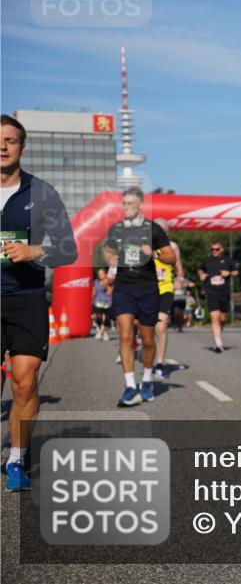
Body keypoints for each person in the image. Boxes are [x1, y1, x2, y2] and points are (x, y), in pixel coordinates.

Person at [1, 114, 78, 492]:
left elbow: (68, 249)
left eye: (10, 140)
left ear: (21, 147)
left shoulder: (42, 193)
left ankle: (17, 459)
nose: (2, 146)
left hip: (27, 299)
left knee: (25, 384)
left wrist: (34, 249)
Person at [102, 187, 175, 406]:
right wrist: (111, 258)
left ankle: (146, 380)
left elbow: (170, 256)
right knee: (125, 335)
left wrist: (154, 253)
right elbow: (107, 250)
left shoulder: (153, 229)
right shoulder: (116, 229)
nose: (126, 207)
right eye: (123, 203)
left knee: (148, 338)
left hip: (147, 287)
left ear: (140, 205)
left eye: (130, 204)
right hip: (124, 286)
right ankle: (130, 386)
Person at [152, 218, 184, 378]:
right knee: (144, 328)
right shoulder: (145, 246)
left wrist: (179, 280)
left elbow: (179, 269)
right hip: (147, 289)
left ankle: (159, 364)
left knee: (161, 325)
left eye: (163, 232)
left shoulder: (172, 247)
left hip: (165, 288)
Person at [199, 241, 238, 353]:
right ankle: (218, 342)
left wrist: (229, 273)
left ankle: (219, 336)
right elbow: (200, 269)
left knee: (222, 318)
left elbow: (236, 272)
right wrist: (201, 274)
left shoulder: (228, 260)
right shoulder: (207, 261)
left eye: (217, 249)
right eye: (212, 250)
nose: (214, 251)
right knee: (214, 317)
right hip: (211, 290)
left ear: (222, 249)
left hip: (224, 291)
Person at [92, 267, 114, 341]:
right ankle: (101, 329)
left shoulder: (108, 281)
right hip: (98, 301)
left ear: (105, 274)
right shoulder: (95, 281)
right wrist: (92, 298)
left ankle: (104, 333)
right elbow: (94, 291)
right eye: (99, 274)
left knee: (106, 318)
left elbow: (110, 292)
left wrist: (106, 285)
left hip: (107, 302)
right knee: (98, 317)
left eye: (102, 274)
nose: (100, 275)